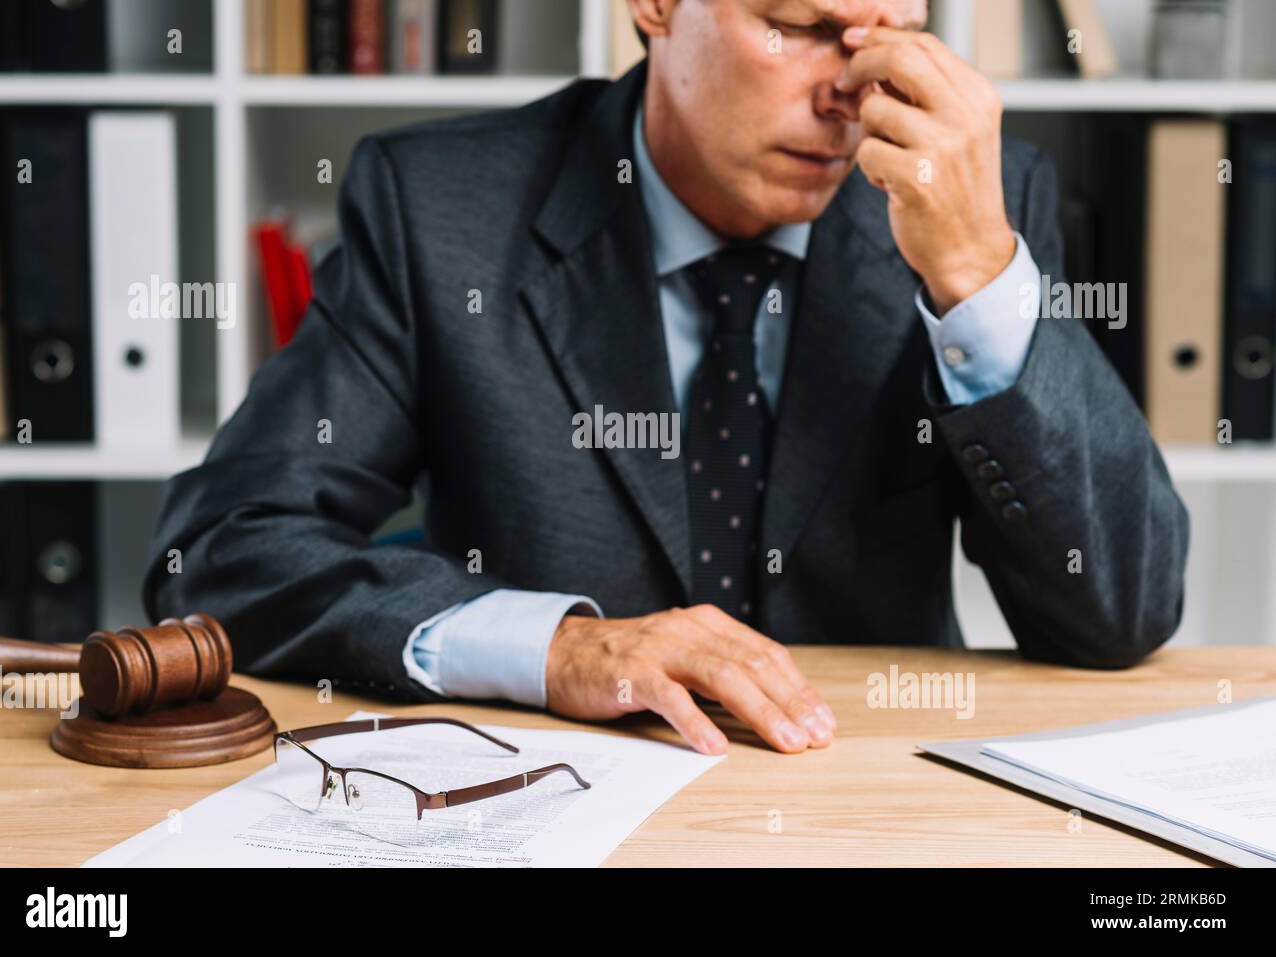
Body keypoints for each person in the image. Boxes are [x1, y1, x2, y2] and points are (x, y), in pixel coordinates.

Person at [145, 0, 1189, 757]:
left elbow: (1122, 613)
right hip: (543, 798)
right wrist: (553, 648)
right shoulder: (439, 209)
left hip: (873, 796)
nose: (851, 91)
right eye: (800, 26)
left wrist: (976, 278)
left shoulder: (971, 198)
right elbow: (221, 552)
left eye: (888, 35)